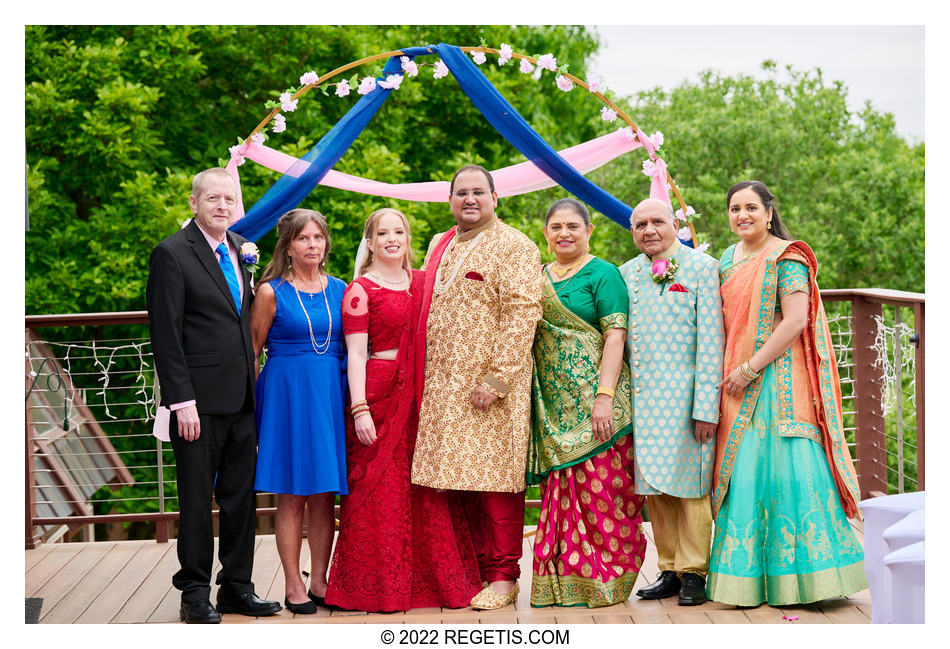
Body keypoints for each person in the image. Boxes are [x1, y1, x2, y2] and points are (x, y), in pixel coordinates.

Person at [707, 180, 866, 606]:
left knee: (790, 465)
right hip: (737, 383)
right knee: (746, 471)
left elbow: (795, 320)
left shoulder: (787, 256)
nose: (742, 216)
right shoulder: (726, 258)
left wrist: (748, 367)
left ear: (769, 211)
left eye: (751, 208)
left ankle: (812, 583)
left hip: (779, 380)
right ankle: (751, 581)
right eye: (735, 208)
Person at [324, 208, 482, 611]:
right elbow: (356, 355)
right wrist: (359, 408)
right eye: (383, 232)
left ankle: (429, 586)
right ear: (371, 241)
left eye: (400, 231)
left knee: (426, 489)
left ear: (408, 239)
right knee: (380, 490)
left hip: (423, 395)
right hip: (379, 394)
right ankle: (379, 586)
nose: (392, 238)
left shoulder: (424, 282)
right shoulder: (360, 289)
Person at [147, 168, 281, 623]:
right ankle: (195, 593)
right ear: (194, 203)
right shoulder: (171, 254)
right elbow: (166, 335)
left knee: (241, 498)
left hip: (243, 396)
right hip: (197, 405)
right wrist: (181, 402)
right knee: (197, 502)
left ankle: (237, 588)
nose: (222, 206)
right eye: (213, 199)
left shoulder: (241, 247)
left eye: (229, 199)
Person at [411, 164, 543, 610]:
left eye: (478, 193)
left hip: (491, 389)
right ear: (450, 200)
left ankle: (504, 578)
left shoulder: (515, 245)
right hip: (445, 387)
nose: (470, 200)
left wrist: (497, 378)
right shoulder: (441, 243)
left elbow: (524, 313)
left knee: (495, 482)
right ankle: (471, 570)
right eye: (461, 193)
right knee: (457, 481)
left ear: (494, 198)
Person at [527, 198, 646, 608]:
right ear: (545, 232)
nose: (564, 233)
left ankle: (609, 578)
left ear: (588, 230)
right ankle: (564, 584)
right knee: (561, 496)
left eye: (573, 226)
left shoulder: (603, 274)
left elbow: (616, 336)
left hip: (599, 406)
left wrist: (604, 398)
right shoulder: (536, 277)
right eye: (556, 226)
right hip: (555, 413)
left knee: (606, 496)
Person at [619, 197, 724, 606]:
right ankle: (668, 569)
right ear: (632, 231)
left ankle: (695, 570)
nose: (649, 230)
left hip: (686, 401)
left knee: (691, 487)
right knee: (655, 489)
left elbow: (712, 341)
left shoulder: (702, 267)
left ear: (674, 223)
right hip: (644, 402)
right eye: (640, 224)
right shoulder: (626, 274)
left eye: (657, 221)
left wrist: (705, 407)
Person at [250, 209, 348, 615]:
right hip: (286, 397)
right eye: (304, 239)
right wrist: (250, 411)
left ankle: (320, 579)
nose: (313, 245)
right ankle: (293, 584)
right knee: (291, 495)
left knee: (325, 495)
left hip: (329, 394)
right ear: (288, 246)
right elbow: (251, 353)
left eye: (318, 238)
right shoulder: (270, 292)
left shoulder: (342, 288)